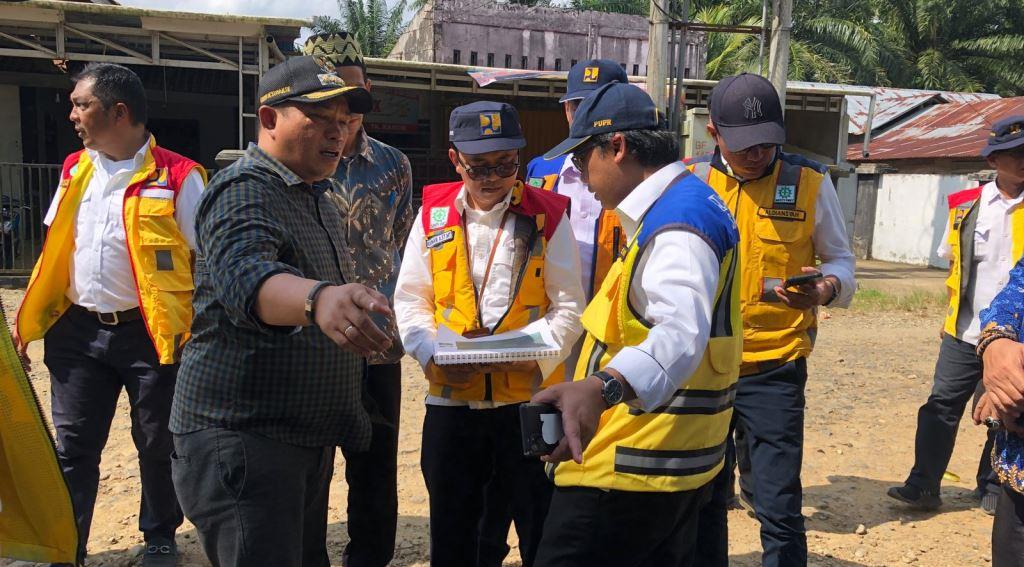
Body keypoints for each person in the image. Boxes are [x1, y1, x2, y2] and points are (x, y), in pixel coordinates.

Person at [168, 56, 392, 567]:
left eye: (345, 122)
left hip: (295, 440)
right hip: (245, 440)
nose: (338, 134)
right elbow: (248, 277)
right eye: (320, 119)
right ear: (269, 119)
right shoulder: (243, 189)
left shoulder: (313, 192)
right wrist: (318, 300)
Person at [530, 81, 741, 567]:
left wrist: (602, 388)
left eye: (583, 161)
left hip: (629, 469)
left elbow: (680, 333)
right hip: (672, 462)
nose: (581, 176)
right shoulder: (688, 203)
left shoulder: (677, 223)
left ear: (617, 147)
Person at [14, 62, 206, 567]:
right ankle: (67, 544)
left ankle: (160, 536)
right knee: (74, 447)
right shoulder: (75, 168)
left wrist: (199, 336)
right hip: (77, 333)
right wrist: (30, 320)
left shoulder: (180, 177)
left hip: (151, 334)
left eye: (82, 104)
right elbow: (55, 248)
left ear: (118, 112)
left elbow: (205, 262)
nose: (72, 113)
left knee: (157, 442)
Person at [394, 100, 584, 567]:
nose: (493, 177)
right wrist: (429, 354)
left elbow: (571, 307)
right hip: (453, 404)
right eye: (479, 166)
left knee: (540, 530)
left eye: (505, 164)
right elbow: (411, 299)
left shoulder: (548, 215)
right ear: (456, 158)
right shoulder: (432, 213)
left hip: (529, 405)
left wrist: (535, 357)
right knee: (457, 536)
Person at [687, 72, 856, 567]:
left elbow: (841, 262)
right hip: (702, 369)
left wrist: (825, 287)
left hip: (775, 368)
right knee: (704, 496)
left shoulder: (809, 183)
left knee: (779, 504)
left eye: (766, 143)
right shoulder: (688, 182)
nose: (757, 155)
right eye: (743, 146)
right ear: (714, 133)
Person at [475, 57, 630, 567]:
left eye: (597, 105)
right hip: (548, 335)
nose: (583, 113)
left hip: (610, 335)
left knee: (599, 441)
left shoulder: (630, 177)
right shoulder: (539, 173)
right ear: (565, 110)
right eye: (576, 105)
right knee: (534, 443)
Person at [302, 31, 414, 567]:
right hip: (311, 345)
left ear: (368, 90)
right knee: (310, 467)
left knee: (375, 467)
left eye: (352, 99)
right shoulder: (293, 164)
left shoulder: (394, 166)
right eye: (329, 103)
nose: (342, 117)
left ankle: (369, 558)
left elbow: (398, 245)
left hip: (376, 345)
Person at [887, 116, 1024, 514]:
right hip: (963, 331)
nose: (1023, 161)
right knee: (940, 406)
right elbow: (956, 269)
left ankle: (993, 484)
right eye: (1015, 154)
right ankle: (923, 485)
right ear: (995, 160)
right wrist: (947, 319)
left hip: (1014, 335)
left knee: (1003, 408)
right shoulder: (966, 205)